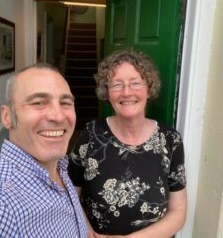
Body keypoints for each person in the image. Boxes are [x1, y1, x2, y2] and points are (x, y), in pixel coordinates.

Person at [68, 48, 187, 238]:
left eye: (135, 83)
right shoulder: (90, 135)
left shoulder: (170, 140)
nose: (126, 92)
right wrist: (88, 233)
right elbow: (70, 196)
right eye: (116, 85)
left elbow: (179, 212)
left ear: (149, 89)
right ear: (107, 93)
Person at [0, 63, 87, 238]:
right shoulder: (4, 205)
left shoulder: (59, 166)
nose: (58, 116)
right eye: (38, 103)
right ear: (7, 117)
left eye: (65, 103)